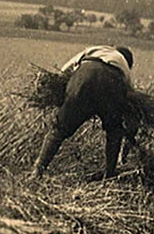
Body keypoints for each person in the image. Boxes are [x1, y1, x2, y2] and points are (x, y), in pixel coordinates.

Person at [34, 45, 136, 180]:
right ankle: (109, 173)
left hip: (84, 77)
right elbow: (129, 99)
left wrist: (61, 92)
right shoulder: (124, 67)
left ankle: (37, 171)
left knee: (59, 128)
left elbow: (66, 69)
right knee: (114, 131)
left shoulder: (96, 49)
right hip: (111, 83)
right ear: (128, 62)